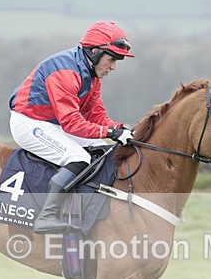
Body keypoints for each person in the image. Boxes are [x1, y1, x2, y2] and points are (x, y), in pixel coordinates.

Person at [9, 21, 135, 234]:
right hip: (29, 122)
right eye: (111, 59)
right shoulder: (65, 72)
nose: (113, 67)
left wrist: (122, 129)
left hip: (54, 124)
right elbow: (71, 122)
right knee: (79, 158)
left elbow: (96, 115)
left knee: (102, 149)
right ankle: (46, 217)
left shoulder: (92, 76)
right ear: (95, 52)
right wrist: (110, 132)